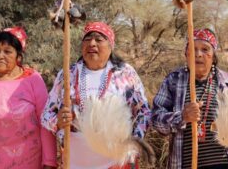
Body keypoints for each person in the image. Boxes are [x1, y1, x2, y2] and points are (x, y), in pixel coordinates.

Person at [41, 21, 151, 169]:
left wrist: (133, 143)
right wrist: (58, 121)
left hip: (117, 159)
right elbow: (46, 115)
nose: (92, 43)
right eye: (87, 39)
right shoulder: (68, 73)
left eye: (99, 39)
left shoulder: (125, 73)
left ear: (110, 46)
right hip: (75, 160)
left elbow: (144, 111)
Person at [152, 28, 228, 169]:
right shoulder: (173, 80)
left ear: (213, 55)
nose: (198, 54)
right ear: (186, 54)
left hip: (225, 164)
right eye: (193, 49)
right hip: (186, 164)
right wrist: (182, 117)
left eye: (205, 49)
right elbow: (155, 119)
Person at [0, 27, 57, 169]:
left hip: (25, 163)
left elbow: (45, 121)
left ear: (19, 57)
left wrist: (49, 162)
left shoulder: (32, 79)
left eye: (7, 51)